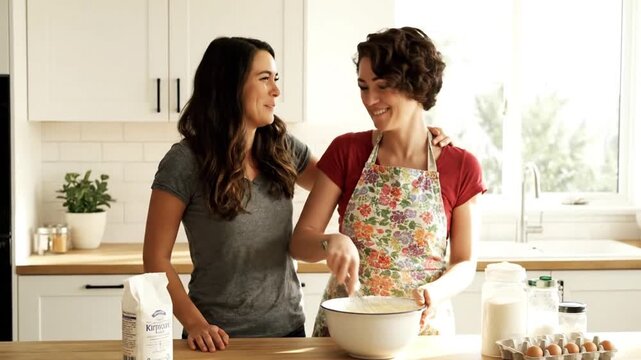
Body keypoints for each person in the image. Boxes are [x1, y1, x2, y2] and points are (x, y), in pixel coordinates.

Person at [143, 36, 452, 352]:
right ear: (229, 85)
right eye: (265, 79)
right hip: (215, 337)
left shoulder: (281, 148)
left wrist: (412, 137)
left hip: (287, 331)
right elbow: (155, 258)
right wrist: (195, 324)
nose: (276, 91)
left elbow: (352, 177)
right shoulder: (185, 161)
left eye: (275, 80)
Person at [289, 27, 486, 337]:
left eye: (383, 86)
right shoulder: (348, 151)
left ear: (416, 87)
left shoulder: (461, 166)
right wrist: (331, 241)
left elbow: (464, 263)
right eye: (363, 86)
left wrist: (434, 291)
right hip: (347, 326)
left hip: (421, 331)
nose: (370, 99)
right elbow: (300, 242)